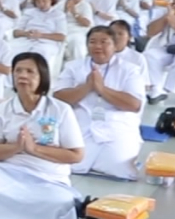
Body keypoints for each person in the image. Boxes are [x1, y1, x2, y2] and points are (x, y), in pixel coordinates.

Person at [0, 50, 87, 219]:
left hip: (49, 178)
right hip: (8, 172)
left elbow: (76, 155)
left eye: (30, 72)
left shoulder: (60, 110)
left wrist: (34, 149)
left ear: (42, 77)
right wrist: (16, 148)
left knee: (62, 202)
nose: (23, 76)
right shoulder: (2, 110)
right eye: (18, 71)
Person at [54, 25, 146, 181]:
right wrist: (87, 87)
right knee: (71, 165)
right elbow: (59, 98)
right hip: (82, 121)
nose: (97, 46)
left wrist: (102, 89)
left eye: (104, 42)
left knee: (120, 168)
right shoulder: (73, 67)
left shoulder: (130, 69)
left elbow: (133, 105)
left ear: (115, 46)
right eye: (92, 42)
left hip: (117, 123)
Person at [10, 0, 67, 74]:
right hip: (27, 39)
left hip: (47, 42)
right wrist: (26, 33)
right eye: (38, 1)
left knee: (39, 54)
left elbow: (61, 36)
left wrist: (41, 35)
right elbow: (16, 32)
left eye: (44, 1)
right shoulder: (29, 12)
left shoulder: (58, 14)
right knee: (11, 50)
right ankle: (12, 80)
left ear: (51, 0)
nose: (41, 4)